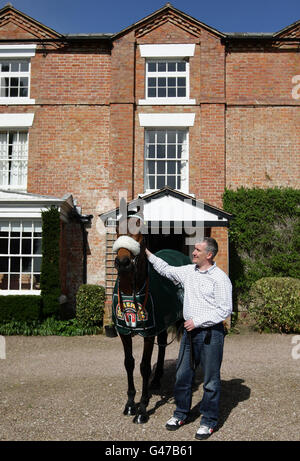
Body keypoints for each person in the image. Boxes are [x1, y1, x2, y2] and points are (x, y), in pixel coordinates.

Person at [145, 237, 232, 440]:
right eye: (194, 249)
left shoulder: (220, 278)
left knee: (210, 381)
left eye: (197, 250)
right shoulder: (188, 272)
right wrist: (147, 254)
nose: (193, 252)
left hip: (211, 335)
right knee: (182, 376)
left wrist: (198, 321)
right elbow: (166, 269)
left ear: (209, 255)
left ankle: (208, 421)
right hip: (189, 335)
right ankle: (181, 414)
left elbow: (225, 309)